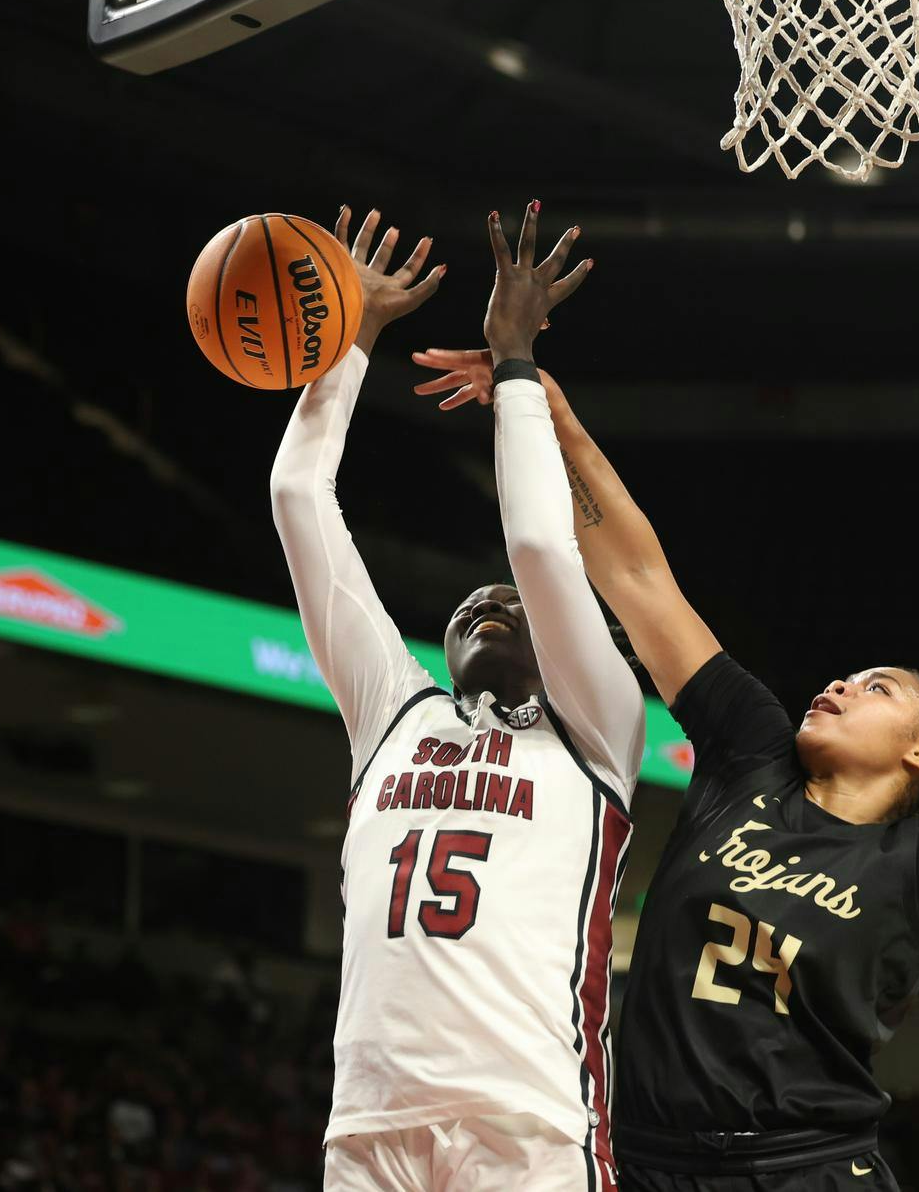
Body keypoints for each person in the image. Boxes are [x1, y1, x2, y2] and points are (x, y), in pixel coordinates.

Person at [411, 349, 919, 1190]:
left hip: (808, 1168)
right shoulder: (751, 750)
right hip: (643, 1162)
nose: (838, 683)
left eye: (876, 687)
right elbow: (641, 578)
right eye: (844, 675)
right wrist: (553, 421)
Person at [270, 203, 643, 1189]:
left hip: (526, 1133)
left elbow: (532, 545)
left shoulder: (597, 731)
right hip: (368, 1132)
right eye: (471, 607)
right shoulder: (393, 712)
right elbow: (298, 500)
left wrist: (513, 361)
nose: (491, 605)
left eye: (513, 609)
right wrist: (349, 342)